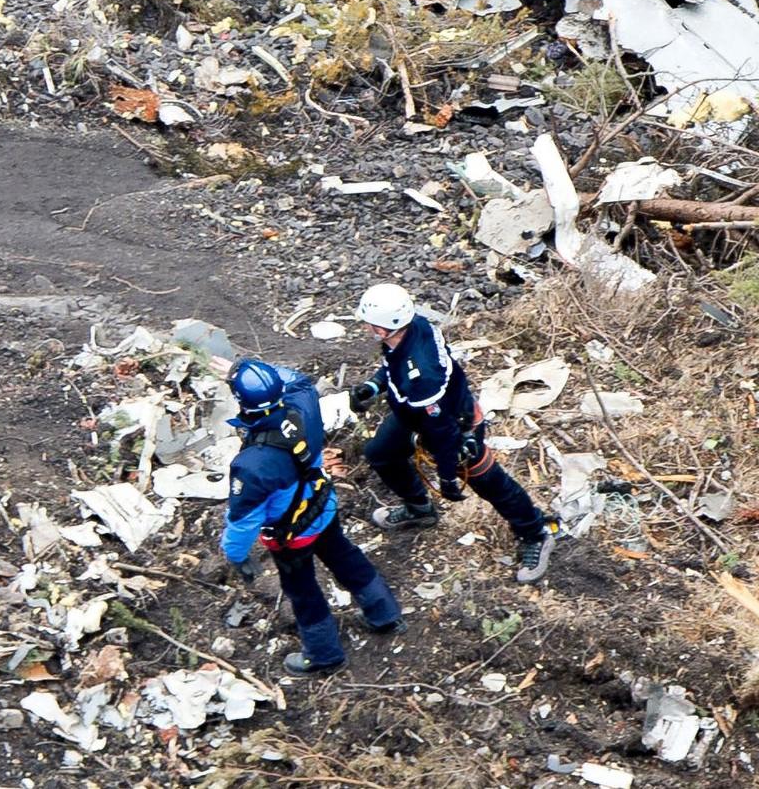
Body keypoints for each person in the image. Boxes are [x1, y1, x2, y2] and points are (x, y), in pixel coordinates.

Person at [348, 283, 559, 583]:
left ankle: (535, 533)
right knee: (380, 454)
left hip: (453, 427)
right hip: (414, 415)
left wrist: (447, 475)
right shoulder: (414, 327)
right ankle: (419, 508)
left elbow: (443, 431)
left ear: (384, 328)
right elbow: (392, 366)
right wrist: (373, 386)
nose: (367, 327)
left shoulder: (421, 375)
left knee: (491, 484)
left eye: (370, 324)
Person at [220, 358, 404, 678]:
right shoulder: (302, 404)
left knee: (303, 592)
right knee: (347, 559)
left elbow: (244, 521)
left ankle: (324, 654)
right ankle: (385, 614)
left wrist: (235, 556)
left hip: (291, 537)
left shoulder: (251, 466)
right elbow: (300, 380)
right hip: (323, 507)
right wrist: (263, 374)